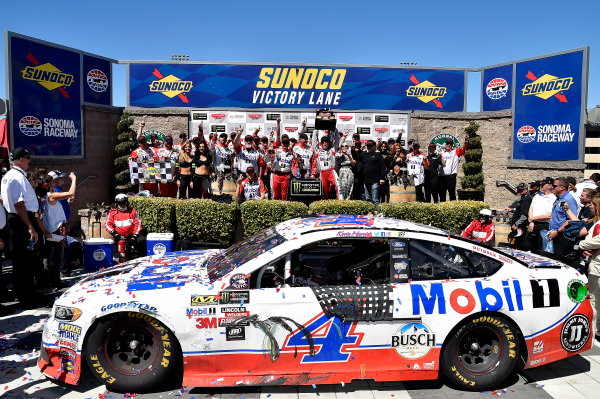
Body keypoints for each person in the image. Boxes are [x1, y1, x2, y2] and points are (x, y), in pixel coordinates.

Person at [1, 148, 41, 306]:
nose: (29, 160)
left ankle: (23, 295)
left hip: (17, 219)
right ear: (20, 160)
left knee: (20, 261)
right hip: (22, 219)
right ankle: (27, 298)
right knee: (25, 261)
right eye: (27, 157)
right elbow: (19, 204)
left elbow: (5, 200)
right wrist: (30, 226)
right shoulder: (16, 177)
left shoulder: (9, 176)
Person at [40, 172, 76, 289]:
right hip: (55, 229)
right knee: (57, 257)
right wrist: (74, 179)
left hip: (50, 227)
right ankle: (54, 281)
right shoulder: (51, 195)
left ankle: (47, 281)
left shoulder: (43, 195)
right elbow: (71, 193)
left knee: (48, 256)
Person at [576, 200, 600, 337]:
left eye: (593, 204)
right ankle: (595, 329)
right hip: (594, 264)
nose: (590, 206)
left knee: (595, 299)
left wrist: (582, 245)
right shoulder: (596, 223)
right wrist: (585, 250)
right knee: (594, 299)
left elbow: (596, 241)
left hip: (597, 266)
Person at [105, 194, 145, 260]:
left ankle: (141, 258)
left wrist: (134, 236)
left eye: (124, 202)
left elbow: (138, 224)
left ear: (126, 202)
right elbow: (107, 224)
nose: (122, 204)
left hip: (132, 235)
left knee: (142, 240)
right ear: (117, 203)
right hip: (120, 236)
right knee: (125, 251)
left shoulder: (132, 211)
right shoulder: (112, 213)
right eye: (120, 203)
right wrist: (114, 232)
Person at [549, 177, 579, 257]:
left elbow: (571, 219)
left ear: (562, 188)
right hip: (555, 235)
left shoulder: (568, 199)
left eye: (554, 186)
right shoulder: (560, 199)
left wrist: (558, 231)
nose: (552, 187)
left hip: (562, 237)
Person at [527, 177, 556, 252]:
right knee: (529, 248)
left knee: (541, 249)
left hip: (544, 225)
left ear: (550, 186)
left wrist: (533, 219)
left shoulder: (553, 198)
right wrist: (531, 222)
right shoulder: (537, 196)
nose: (541, 186)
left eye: (543, 184)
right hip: (532, 224)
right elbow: (531, 209)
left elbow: (548, 215)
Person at [132, 122, 158, 194]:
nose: (143, 143)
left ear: (146, 141)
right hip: (143, 177)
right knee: (144, 194)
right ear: (139, 143)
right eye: (141, 142)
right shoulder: (136, 152)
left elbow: (160, 158)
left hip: (153, 175)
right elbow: (131, 164)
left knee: (154, 194)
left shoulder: (153, 149)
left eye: (144, 141)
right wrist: (140, 127)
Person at [440, 135, 469, 201]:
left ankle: (452, 210)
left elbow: (464, 148)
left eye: (450, 144)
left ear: (452, 145)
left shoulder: (455, 152)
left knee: (452, 194)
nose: (449, 145)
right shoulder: (442, 153)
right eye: (447, 143)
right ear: (445, 144)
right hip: (442, 177)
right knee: (442, 195)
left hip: (451, 176)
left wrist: (466, 140)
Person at [271, 119, 294, 200]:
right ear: (281, 142)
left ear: (289, 143)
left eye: (287, 142)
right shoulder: (277, 150)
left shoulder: (292, 153)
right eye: (283, 142)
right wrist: (278, 123)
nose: (285, 144)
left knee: (284, 197)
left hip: (286, 176)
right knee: (275, 196)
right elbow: (277, 136)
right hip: (276, 175)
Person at [508, 182, 534, 249]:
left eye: (520, 190)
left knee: (520, 245)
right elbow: (519, 209)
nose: (518, 191)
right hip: (519, 226)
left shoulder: (526, 199)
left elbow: (525, 214)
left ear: (526, 190)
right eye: (518, 189)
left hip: (521, 227)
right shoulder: (521, 198)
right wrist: (512, 209)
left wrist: (516, 224)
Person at [362, 140, 386, 206]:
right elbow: (356, 157)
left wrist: (382, 178)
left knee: (375, 199)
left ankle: (377, 214)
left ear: (374, 147)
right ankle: (369, 214)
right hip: (366, 181)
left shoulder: (378, 155)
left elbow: (383, 167)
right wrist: (353, 149)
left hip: (375, 181)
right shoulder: (364, 155)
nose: (368, 148)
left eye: (370, 146)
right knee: (368, 199)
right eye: (367, 146)